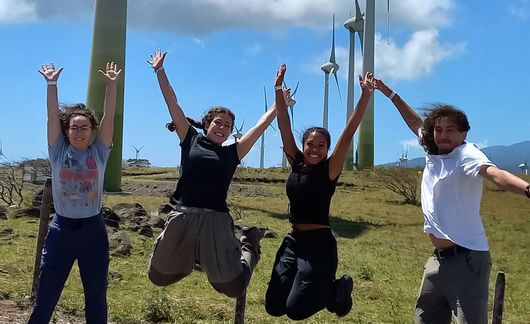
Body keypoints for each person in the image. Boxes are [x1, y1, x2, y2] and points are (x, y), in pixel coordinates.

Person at [374, 78, 530, 324]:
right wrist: (388, 93)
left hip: (468, 261)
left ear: (464, 133)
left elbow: (495, 175)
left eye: (450, 130)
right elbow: (414, 121)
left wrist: (528, 189)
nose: (442, 135)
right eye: (438, 129)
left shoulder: (467, 154)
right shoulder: (432, 147)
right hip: (437, 261)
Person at [147, 49, 278, 298]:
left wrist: (277, 102)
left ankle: (249, 242)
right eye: (218, 122)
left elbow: (260, 127)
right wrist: (160, 70)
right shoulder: (190, 139)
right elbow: (172, 102)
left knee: (232, 287)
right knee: (157, 277)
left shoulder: (233, 152)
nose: (223, 127)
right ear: (207, 124)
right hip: (183, 216)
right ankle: (192, 258)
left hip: (215, 220)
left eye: (227, 125)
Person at [265, 64, 376, 320]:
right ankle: (302, 282)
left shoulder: (330, 169)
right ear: (303, 145)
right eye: (310, 144)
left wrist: (365, 96)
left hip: (319, 246)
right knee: (274, 307)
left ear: (327, 149)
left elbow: (348, 135)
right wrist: (278, 90)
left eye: (321, 145)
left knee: (295, 311)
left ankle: (335, 291)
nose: (315, 149)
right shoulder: (296, 163)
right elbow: (284, 126)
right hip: (293, 241)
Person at [30, 61, 121, 323]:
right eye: (74, 127)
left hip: (93, 230)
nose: (79, 131)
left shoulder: (99, 152)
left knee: (95, 294)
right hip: (62, 230)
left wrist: (112, 86)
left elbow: (109, 116)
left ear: (92, 131)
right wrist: (51, 84)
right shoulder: (58, 151)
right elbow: (51, 117)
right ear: (67, 131)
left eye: (84, 127)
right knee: (47, 292)